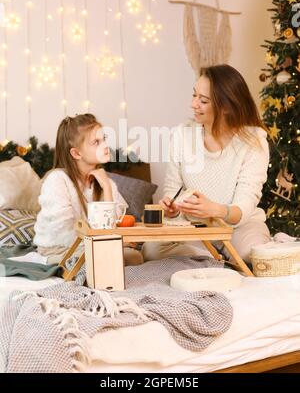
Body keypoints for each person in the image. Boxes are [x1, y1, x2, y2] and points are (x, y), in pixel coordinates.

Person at [142, 64, 271, 263]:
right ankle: (215, 259)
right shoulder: (182, 135)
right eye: (194, 96)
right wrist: (172, 207)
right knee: (151, 250)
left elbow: (244, 205)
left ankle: (211, 260)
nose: (193, 104)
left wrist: (216, 210)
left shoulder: (254, 142)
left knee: (258, 256)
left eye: (203, 100)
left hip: (240, 227)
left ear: (226, 107)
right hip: (195, 229)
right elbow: (172, 190)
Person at [34, 114, 143, 266]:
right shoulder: (58, 180)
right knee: (111, 258)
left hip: (92, 244)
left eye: (104, 139)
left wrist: (106, 188)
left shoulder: (107, 182)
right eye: (96, 142)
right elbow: (63, 232)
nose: (105, 146)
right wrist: (107, 242)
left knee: (134, 257)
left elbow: (111, 228)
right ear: (76, 153)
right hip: (59, 249)